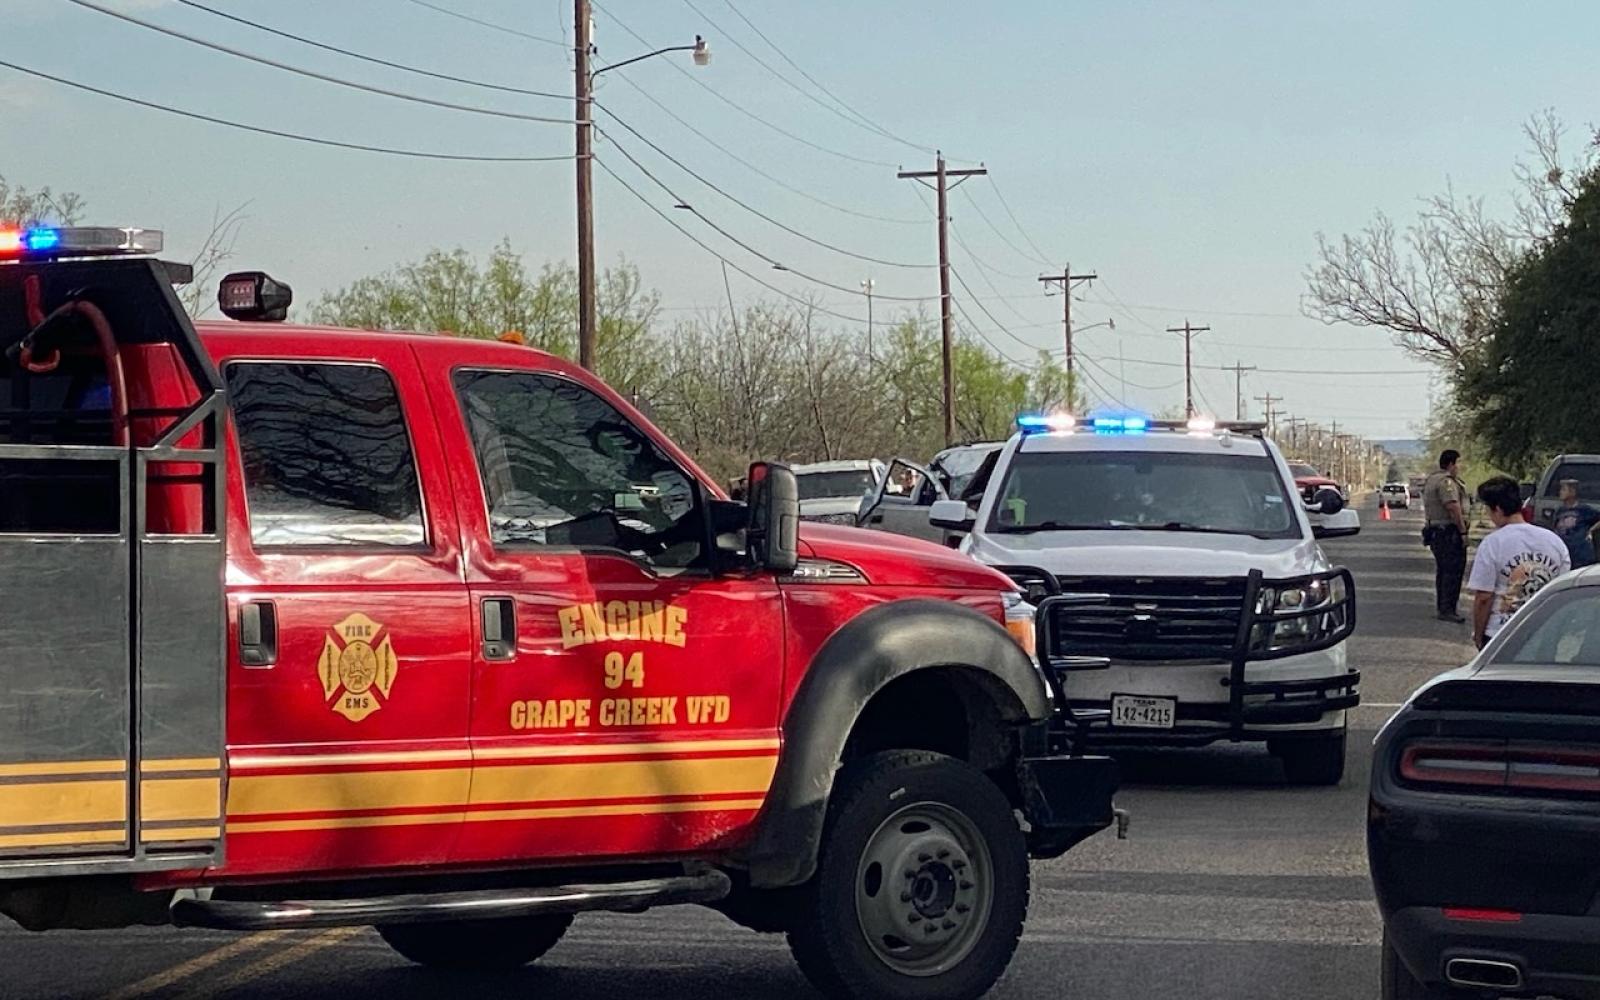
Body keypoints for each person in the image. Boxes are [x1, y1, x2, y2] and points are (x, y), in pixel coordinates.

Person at [1467, 476, 1570, 649]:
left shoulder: (1493, 543)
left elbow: (1484, 597)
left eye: (1488, 510)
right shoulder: (1555, 542)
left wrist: (1478, 635)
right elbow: (1563, 591)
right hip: (1544, 633)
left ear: (1498, 509)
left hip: (1500, 634)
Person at [1422, 449, 1469, 623]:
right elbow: (1452, 507)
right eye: (1458, 463)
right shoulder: (1446, 483)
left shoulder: (1432, 479)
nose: (1460, 467)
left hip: (1436, 531)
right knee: (1452, 571)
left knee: (1443, 570)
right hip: (1448, 531)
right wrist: (1462, 531)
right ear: (1451, 464)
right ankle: (1448, 609)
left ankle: (1444, 607)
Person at [1550, 478, 1600, 568]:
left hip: (1581, 555)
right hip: (1565, 552)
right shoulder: (1560, 511)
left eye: (1563, 489)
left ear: (1572, 492)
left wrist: (1591, 530)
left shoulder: (1584, 510)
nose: (1560, 492)